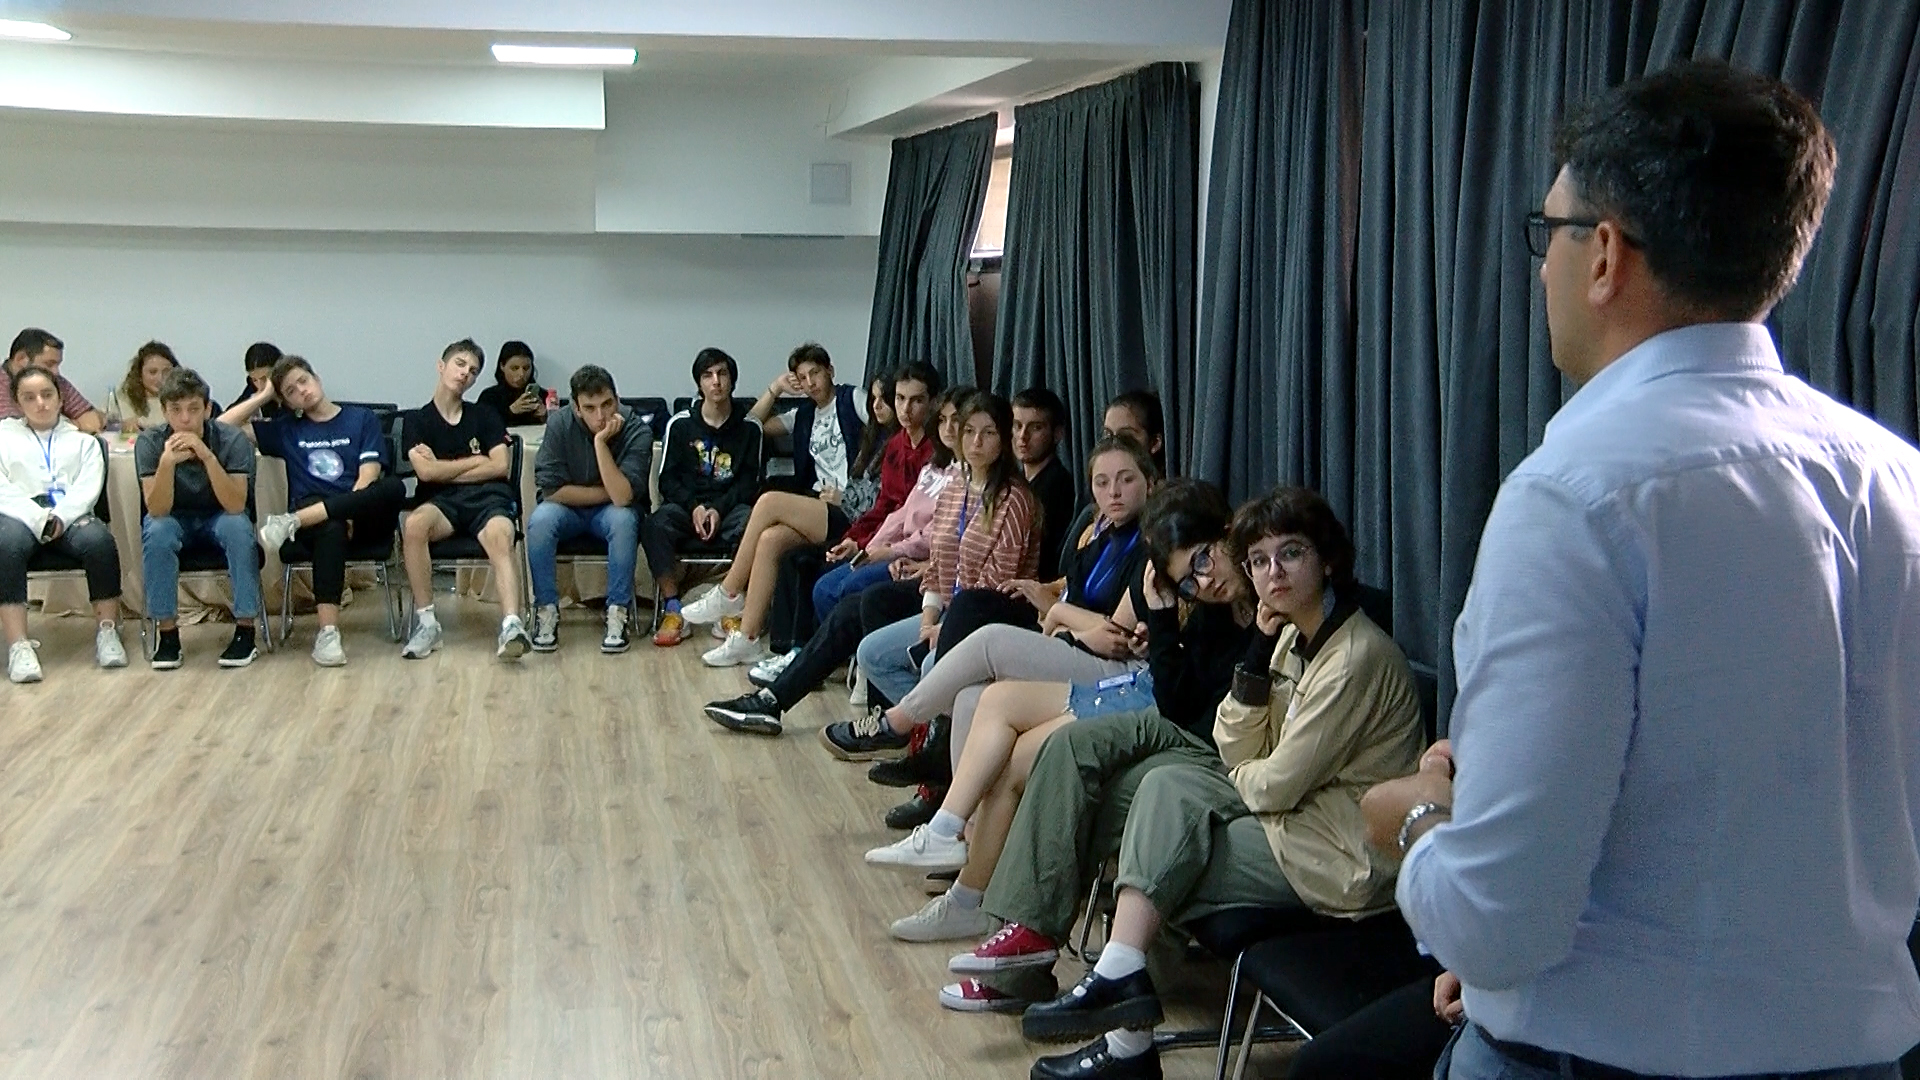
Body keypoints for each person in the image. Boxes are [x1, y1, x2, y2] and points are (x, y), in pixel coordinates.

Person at [1359, 61, 1920, 1080]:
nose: (1540, 271)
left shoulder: (1576, 495)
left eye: (1549, 235)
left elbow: (1496, 926)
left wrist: (1423, 815)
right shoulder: (1896, 478)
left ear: (1605, 254)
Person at [1020, 488, 1423, 1079]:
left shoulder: (1354, 657)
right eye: (1259, 560)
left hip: (1341, 853)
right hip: (1296, 820)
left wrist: (1244, 770)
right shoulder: (1291, 634)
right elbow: (1234, 740)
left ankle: (1126, 1031)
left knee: (1160, 858)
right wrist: (1257, 650)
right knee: (1165, 793)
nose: (1273, 572)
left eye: (1291, 553)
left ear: (1327, 559)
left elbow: (1274, 781)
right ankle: (1122, 987)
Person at [896, 483, 1257, 984]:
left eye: (1203, 560)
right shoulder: (1202, 604)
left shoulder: (1264, 609)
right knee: (992, 709)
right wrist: (1160, 622)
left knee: (1026, 733)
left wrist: (1148, 626)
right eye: (1190, 581)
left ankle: (982, 898)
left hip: (1178, 726)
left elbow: (1186, 706)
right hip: (1163, 707)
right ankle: (967, 880)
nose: (1206, 580)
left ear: (1227, 533)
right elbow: (1177, 690)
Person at [857, 435, 1160, 875]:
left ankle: (900, 722)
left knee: (991, 638)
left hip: (1116, 669)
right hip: (1075, 644)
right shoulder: (1099, 536)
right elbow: (1071, 608)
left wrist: (1059, 613)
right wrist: (1062, 616)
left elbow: (1115, 634)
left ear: (1150, 482)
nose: (1113, 492)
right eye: (1102, 482)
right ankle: (963, 838)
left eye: (1126, 480)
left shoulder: (1150, 544)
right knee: (970, 697)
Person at [703, 387, 967, 737]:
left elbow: (952, 546)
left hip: (947, 588)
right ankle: (773, 700)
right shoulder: (939, 468)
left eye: (962, 424)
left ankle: (885, 722)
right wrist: (869, 547)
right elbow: (899, 514)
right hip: (920, 569)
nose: (952, 430)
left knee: (868, 598)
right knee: (833, 594)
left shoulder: (983, 487)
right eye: (945, 421)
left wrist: (904, 558)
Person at [819, 391, 1041, 759]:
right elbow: (938, 567)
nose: (975, 442)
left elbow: (996, 584)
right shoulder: (955, 489)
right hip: (949, 611)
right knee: (872, 653)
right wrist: (929, 621)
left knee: (929, 664)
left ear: (1003, 440)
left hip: (988, 620)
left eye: (988, 433)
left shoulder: (1014, 499)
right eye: (969, 431)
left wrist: (948, 627)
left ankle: (929, 748)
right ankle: (930, 733)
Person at [683, 358, 938, 669]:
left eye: (815, 373)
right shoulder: (809, 415)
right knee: (771, 538)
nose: (810, 382)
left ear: (830, 371)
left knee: (769, 502)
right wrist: (775, 389)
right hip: (853, 518)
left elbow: (895, 509)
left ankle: (729, 591)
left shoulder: (852, 402)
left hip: (850, 511)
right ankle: (748, 638)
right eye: (802, 377)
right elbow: (751, 427)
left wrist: (860, 536)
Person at [220, 356, 407, 667]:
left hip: (360, 514)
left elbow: (369, 472)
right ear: (286, 402)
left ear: (316, 378)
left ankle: (291, 522)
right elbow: (221, 428)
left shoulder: (361, 418)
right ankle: (328, 635)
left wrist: (347, 511)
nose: (301, 391)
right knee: (330, 527)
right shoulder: (286, 429)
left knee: (394, 488)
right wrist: (264, 396)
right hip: (317, 524)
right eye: (290, 391)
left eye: (303, 381)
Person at [398, 339, 532, 661]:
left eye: (473, 371)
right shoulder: (417, 420)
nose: (465, 374)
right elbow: (425, 473)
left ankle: (511, 625)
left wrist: (442, 469)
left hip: (489, 498)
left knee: (500, 534)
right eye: (460, 364)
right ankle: (427, 625)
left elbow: (499, 466)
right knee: (414, 525)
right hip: (440, 502)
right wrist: (474, 461)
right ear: (441, 365)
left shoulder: (485, 415)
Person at [0, 364, 126, 681]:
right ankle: (19, 645)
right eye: (29, 397)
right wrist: (37, 518)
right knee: (6, 544)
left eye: (47, 394)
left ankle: (108, 631)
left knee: (99, 541)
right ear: (17, 403)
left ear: (60, 399)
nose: (40, 403)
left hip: (70, 517)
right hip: (20, 517)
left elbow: (88, 488)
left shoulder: (84, 442)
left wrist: (61, 517)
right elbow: (3, 490)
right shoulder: (3, 438)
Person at [136, 367, 262, 670]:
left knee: (238, 526)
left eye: (193, 409)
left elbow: (236, 505)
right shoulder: (150, 443)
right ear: (164, 411)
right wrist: (166, 464)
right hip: (174, 518)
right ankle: (168, 635)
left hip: (220, 516)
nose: (185, 419)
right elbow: (157, 509)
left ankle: (245, 630)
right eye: (176, 410)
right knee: (157, 530)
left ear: (207, 409)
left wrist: (207, 457)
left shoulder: (232, 439)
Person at [526, 364, 652, 655]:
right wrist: (607, 493)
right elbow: (552, 491)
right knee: (540, 520)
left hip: (611, 513)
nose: (600, 416)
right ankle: (546, 611)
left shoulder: (636, 428)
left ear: (617, 400)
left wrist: (600, 444)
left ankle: (617, 613)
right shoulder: (559, 424)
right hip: (567, 510)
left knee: (623, 521)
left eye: (607, 404)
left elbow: (623, 499)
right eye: (590, 408)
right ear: (576, 408)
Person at [646, 348, 762, 646]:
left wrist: (718, 509)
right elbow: (666, 480)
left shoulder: (750, 427)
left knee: (755, 523)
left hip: (730, 509)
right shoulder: (680, 424)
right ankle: (673, 608)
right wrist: (695, 507)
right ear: (699, 383)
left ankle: (731, 608)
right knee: (654, 524)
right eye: (708, 375)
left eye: (722, 374)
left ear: (732, 380)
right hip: (687, 509)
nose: (716, 381)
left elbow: (749, 483)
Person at [1012, 387, 1076, 580]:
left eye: (1035, 427)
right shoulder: (1016, 480)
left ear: (1057, 434)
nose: (1023, 436)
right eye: (1017, 426)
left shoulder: (1058, 485)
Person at [0, 329, 104, 433]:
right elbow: (14, 431)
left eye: (57, 365)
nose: (56, 372)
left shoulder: (55, 380)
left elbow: (92, 421)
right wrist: (71, 424)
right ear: (21, 359)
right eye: (49, 364)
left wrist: (55, 425)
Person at [103, 340, 180, 432]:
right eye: (152, 372)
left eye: (166, 371)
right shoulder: (120, 399)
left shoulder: (183, 399)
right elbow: (104, 426)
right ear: (139, 374)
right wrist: (122, 427)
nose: (160, 378)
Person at [475, 339, 549, 429]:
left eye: (526, 368)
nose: (521, 374)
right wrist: (510, 411)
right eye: (515, 368)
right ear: (502, 366)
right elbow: (480, 426)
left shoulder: (543, 396)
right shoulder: (489, 397)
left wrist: (546, 415)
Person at [226, 342, 285, 421]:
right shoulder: (253, 387)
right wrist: (257, 401)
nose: (260, 386)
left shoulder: (295, 388)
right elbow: (224, 422)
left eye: (264, 379)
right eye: (255, 380)